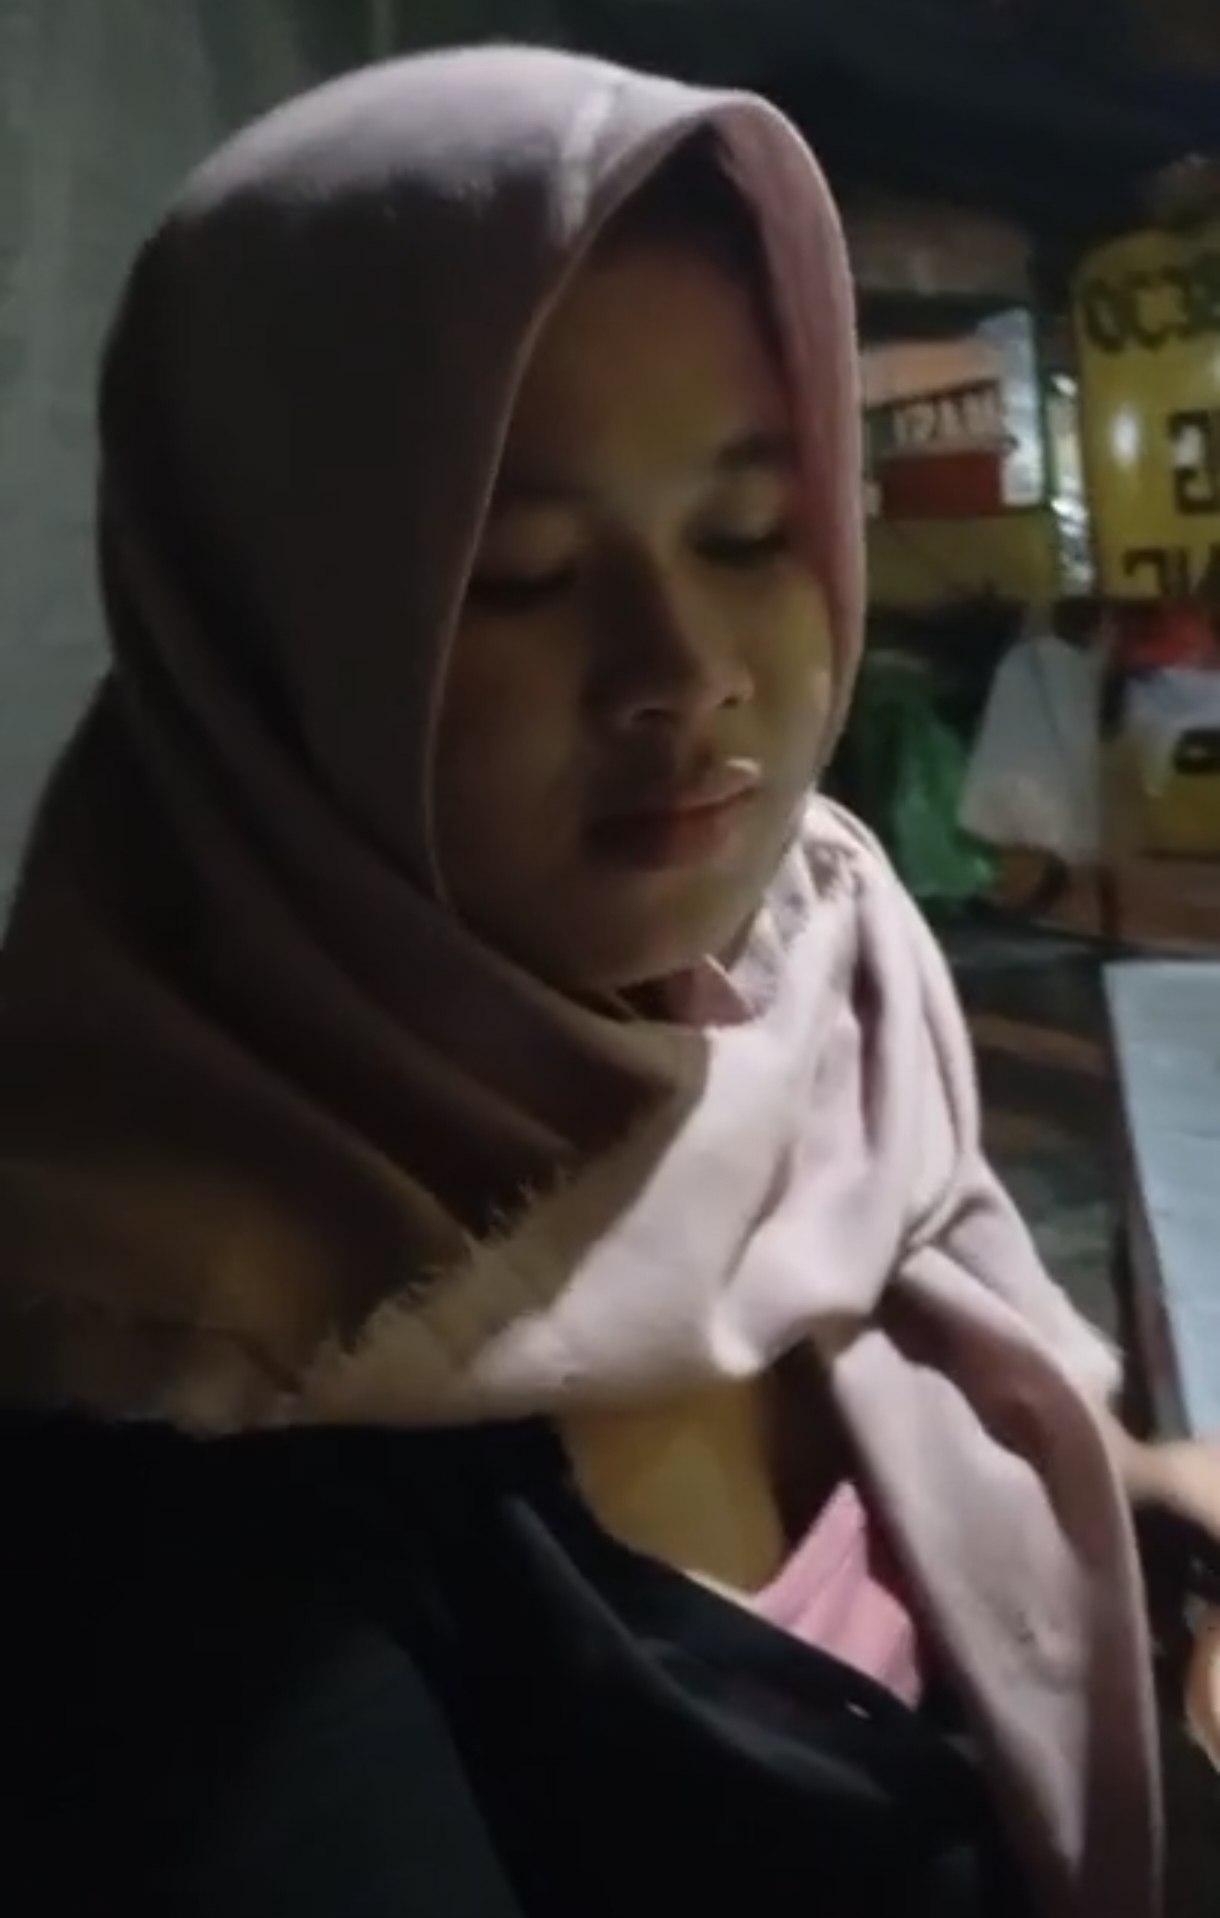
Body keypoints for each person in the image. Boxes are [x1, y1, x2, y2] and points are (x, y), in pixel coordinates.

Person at [0, 43, 1218, 1918]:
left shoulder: (822, 960)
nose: (687, 665)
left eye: (748, 532)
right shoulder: (161, 1450)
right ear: (268, 637)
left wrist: (1130, 1499)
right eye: (520, 572)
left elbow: (933, 1472)